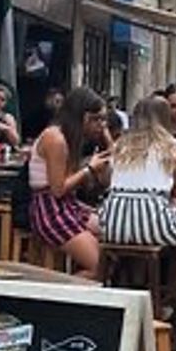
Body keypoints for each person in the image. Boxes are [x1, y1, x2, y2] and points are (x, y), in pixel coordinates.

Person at [99, 96, 176, 279]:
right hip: (153, 218)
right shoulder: (175, 148)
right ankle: (172, 294)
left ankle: (137, 287)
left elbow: (108, 182)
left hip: (113, 223)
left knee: (136, 245)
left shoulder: (119, 147)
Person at [28, 87, 111, 278]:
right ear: (80, 116)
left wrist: (106, 136)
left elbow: (112, 153)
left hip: (68, 206)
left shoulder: (71, 137)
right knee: (100, 267)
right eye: (95, 119)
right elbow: (58, 190)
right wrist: (89, 169)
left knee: (113, 236)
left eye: (103, 120)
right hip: (50, 210)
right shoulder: (56, 139)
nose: (100, 125)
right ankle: (60, 298)